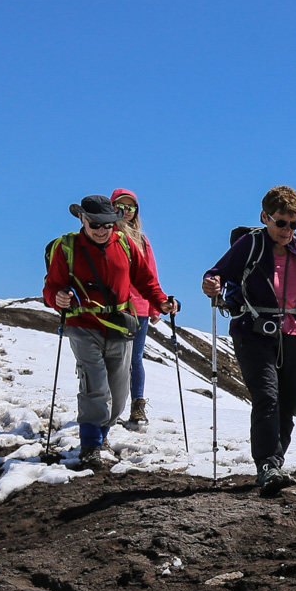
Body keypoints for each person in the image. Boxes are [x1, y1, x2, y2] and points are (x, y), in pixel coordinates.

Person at [201, 185, 296, 497]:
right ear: (265, 217)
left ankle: (275, 462)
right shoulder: (250, 244)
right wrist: (211, 284)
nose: (287, 231)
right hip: (252, 331)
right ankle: (267, 465)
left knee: (288, 403)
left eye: (294, 224)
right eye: (281, 223)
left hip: (294, 333)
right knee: (267, 396)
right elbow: (217, 273)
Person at [43, 195, 179, 465]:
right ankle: (91, 446)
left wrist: (161, 301)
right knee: (95, 385)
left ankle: (101, 434)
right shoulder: (67, 247)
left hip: (119, 324)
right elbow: (52, 285)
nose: (102, 230)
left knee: (118, 394)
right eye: (95, 224)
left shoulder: (125, 244)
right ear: (83, 219)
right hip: (82, 324)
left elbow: (145, 279)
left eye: (107, 224)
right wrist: (56, 298)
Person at [111, 188, 162, 429]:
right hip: (113, 305)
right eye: (121, 206)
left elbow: (150, 274)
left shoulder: (142, 240)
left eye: (131, 207)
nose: (126, 211)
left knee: (135, 359)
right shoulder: (105, 234)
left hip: (139, 306)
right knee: (112, 357)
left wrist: (155, 307)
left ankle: (137, 406)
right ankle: (110, 406)